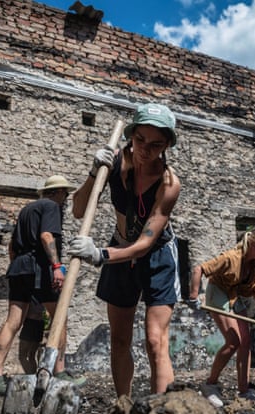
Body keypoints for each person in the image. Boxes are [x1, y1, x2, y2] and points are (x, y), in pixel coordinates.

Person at [69, 103, 181, 398]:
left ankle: (162, 412)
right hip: (120, 246)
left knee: (156, 341)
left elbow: (144, 245)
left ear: (167, 145)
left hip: (156, 255)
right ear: (131, 135)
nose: (145, 149)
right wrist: (95, 172)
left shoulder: (169, 184)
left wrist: (99, 255)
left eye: (156, 144)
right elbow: (78, 210)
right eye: (140, 139)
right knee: (119, 339)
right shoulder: (115, 163)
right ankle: (124, 406)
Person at [0, 175, 76, 394]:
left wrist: (18, 266)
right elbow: (46, 236)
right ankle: (60, 371)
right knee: (59, 318)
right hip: (40, 267)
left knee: (13, 321)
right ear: (59, 192)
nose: (67, 198)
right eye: (66, 193)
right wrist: (56, 266)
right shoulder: (52, 206)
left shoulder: (27, 210)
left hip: (19, 267)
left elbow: (12, 246)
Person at [188, 230, 255, 407]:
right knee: (233, 341)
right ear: (252, 244)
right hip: (218, 291)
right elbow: (199, 269)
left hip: (234, 295)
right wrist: (194, 296)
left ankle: (244, 391)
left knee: (245, 342)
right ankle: (210, 385)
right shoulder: (231, 257)